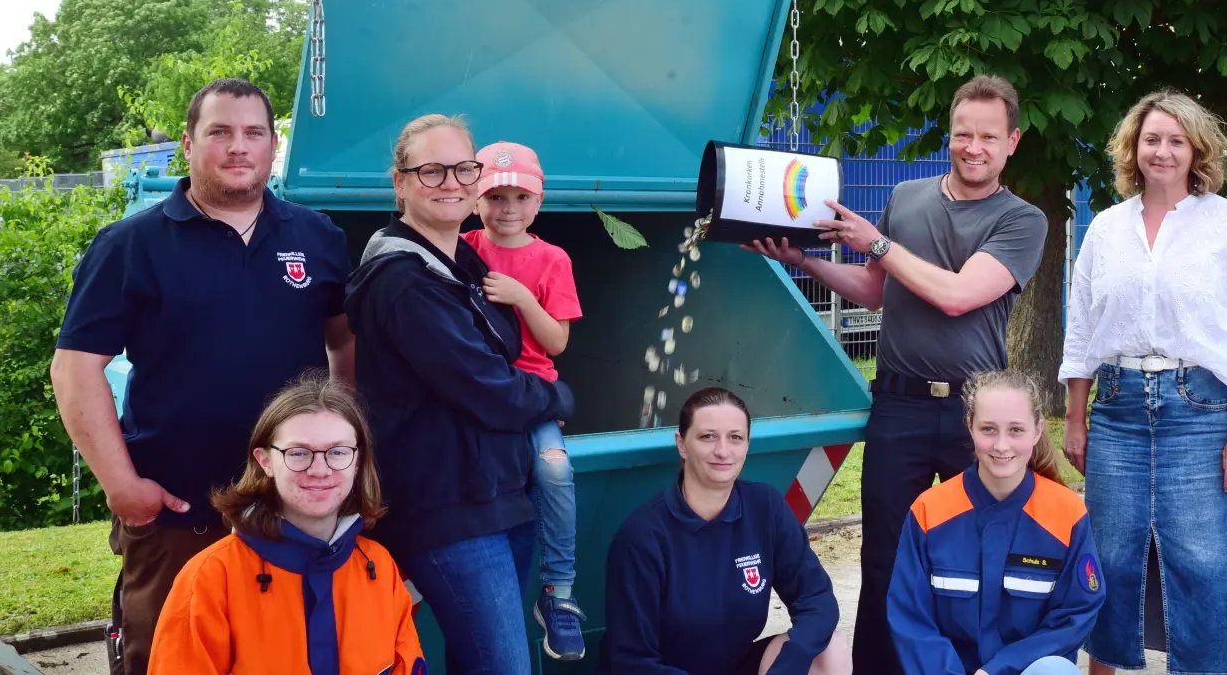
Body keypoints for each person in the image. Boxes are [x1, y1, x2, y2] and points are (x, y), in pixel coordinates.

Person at [743, 74, 1048, 675]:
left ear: (1012, 142)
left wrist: (878, 243)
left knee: (976, 555)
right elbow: (875, 291)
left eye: (989, 137)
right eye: (963, 134)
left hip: (975, 414)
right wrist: (803, 260)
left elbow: (957, 296)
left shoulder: (1023, 220)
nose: (973, 147)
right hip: (899, 404)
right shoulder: (906, 197)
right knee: (883, 556)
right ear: (949, 134)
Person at [50, 78, 355, 675]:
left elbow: (344, 343)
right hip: (175, 512)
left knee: (288, 657)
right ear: (188, 145)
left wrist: (340, 454)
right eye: (220, 132)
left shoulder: (317, 237)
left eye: (254, 133)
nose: (238, 147)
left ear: (272, 147)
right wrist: (121, 484)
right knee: (168, 658)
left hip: (294, 507)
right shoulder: (129, 245)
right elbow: (75, 367)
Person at [344, 114, 575, 675]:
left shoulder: (463, 262)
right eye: (431, 171)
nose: (451, 182)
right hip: (450, 511)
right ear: (399, 183)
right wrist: (559, 398)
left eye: (463, 169)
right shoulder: (403, 280)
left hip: (500, 495)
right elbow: (488, 389)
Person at [1058, 89, 1227, 675]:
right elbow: (1082, 329)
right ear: (1133, 148)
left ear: (1196, 150)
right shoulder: (1106, 229)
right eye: (1151, 139)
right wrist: (1076, 417)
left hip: (1202, 411)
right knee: (1110, 558)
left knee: (1208, 562)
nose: (1163, 151)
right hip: (1117, 409)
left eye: (1176, 141)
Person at [148, 373, 425, 674]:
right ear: (265, 461)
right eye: (298, 453)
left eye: (338, 452)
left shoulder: (380, 567)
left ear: (357, 462)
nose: (320, 469)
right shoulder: (211, 578)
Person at [599, 388, 851, 675]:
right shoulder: (642, 536)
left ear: (747, 444)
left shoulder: (765, 507)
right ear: (682, 445)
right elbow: (631, 661)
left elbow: (817, 599)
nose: (723, 451)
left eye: (735, 437)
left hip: (735, 665)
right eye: (708, 436)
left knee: (829, 651)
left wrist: (791, 661)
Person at [888, 368, 1104, 675]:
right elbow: (910, 616)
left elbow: (1076, 613)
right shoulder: (929, 511)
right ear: (970, 426)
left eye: (1016, 430)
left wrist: (998, 670)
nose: (1002, 445)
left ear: (1038, 430)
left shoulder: (1066, 513)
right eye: (988, 429)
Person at [462, 140, 587, 660]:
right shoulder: (461, 247)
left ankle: (558, 594)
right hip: (475, 391)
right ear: (475, 200)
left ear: (538, 202)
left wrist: (520, 297)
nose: (507, 208)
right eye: (495, 196)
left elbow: (556, 343)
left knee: (554, 469)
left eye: (520, 197)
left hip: (533, 395)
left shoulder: (552, 259)